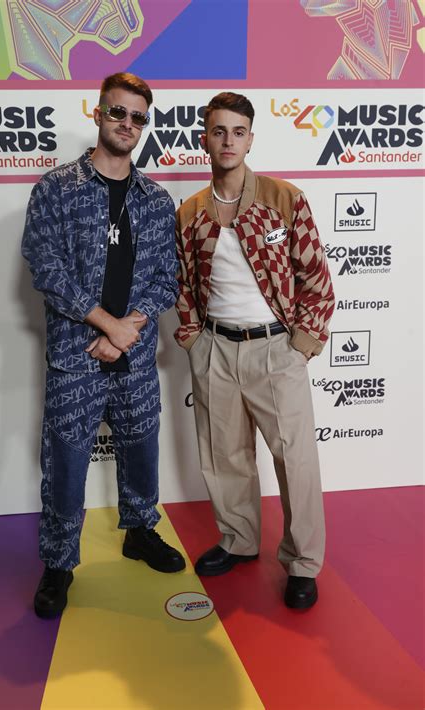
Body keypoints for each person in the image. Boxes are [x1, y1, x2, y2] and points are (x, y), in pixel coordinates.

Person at [22, 72, 185, 620]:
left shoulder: (157, 200)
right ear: (97, 113)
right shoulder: (56, 188)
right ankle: (59, 563)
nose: (127, 124)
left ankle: (140, 531)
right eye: (118, 112)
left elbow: (167, 279)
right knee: (66, 461)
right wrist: (104, 324)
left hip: (135, 355)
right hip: (75, 355)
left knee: (142, 447)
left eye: (138, 117)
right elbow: (46, 267)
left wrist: (129, 328)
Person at [174, 92, 335, 609]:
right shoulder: (191, 211)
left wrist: (302, 345)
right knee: (226, 457)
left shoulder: (283, 199)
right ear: (205, 137)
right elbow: (181, 283)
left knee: (296, 461)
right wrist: (194, 341)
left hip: (275, 349)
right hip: (216, 348)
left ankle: (303, 562)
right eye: (218, 131)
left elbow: (315, 276)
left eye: (237, 131)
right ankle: (239, 541)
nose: (227, 141)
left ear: (250, 138)